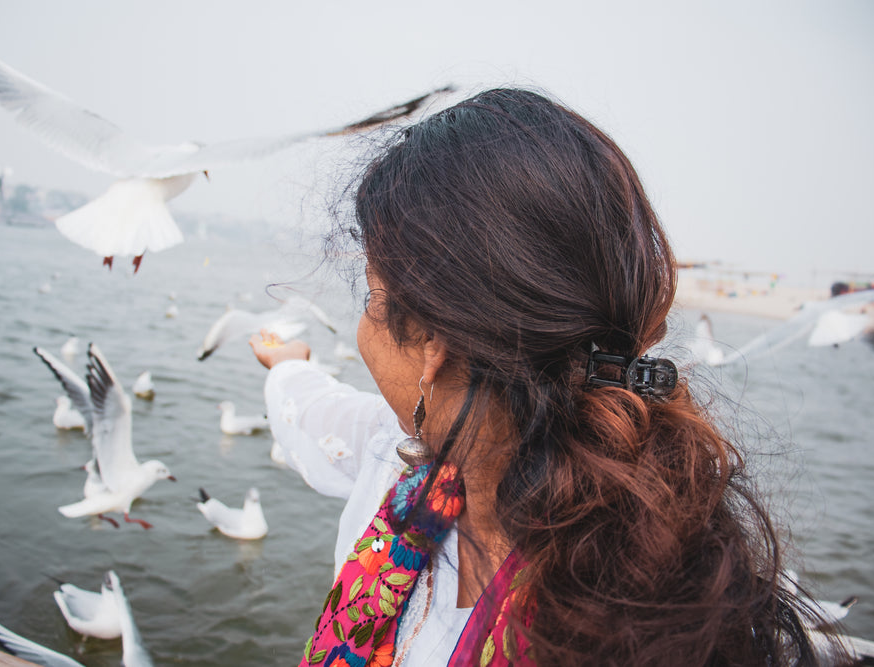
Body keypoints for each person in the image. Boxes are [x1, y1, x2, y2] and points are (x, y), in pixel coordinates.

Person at [249, 88, 836, 666]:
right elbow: (316, 415)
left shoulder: (405, 476)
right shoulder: (688, 568)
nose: (363, 324)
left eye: (373, 297)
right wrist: (289, 365)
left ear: (433, 345)